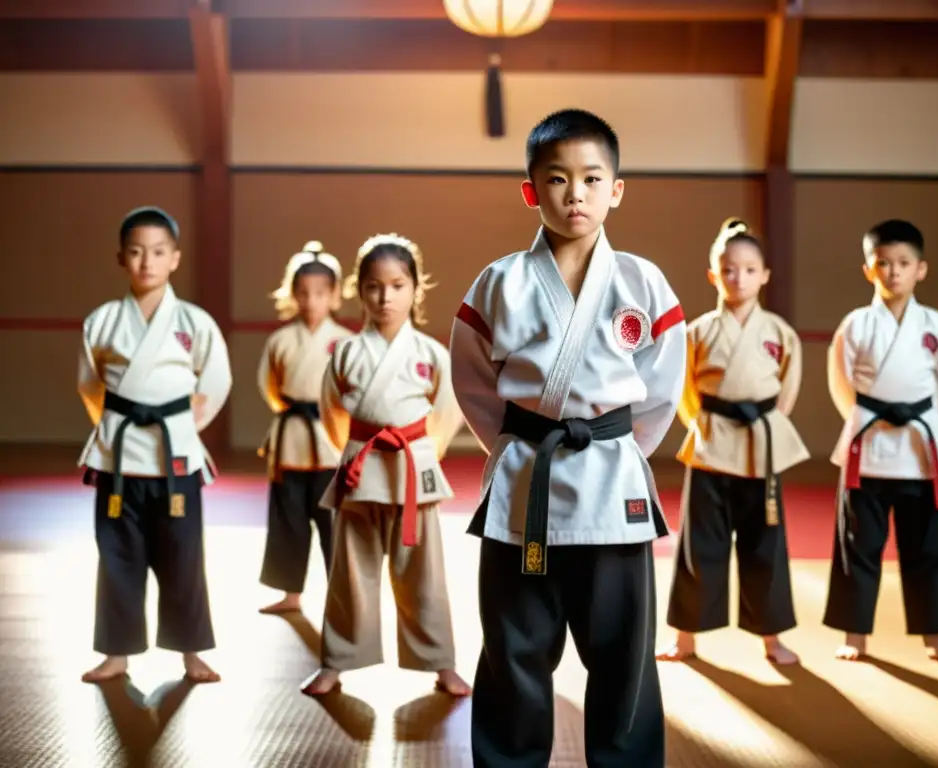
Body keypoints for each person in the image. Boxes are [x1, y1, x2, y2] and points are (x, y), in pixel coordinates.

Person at [449, 108, 687, 767]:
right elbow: (471, 382)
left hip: (612, 485)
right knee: (512, 652)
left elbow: (663, 387)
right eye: (556, 179)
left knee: (625, 658)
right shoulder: (500, 282)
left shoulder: (643, 282)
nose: (574, 194)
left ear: (616, 189)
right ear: (531, 191)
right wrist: (514, 446)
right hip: (525, 483)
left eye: (590, 178)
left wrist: (614, 448)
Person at [301, 233, 471, 697]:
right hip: (362, 469)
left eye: (397, 285)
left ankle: (442, 663)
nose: (385, 296)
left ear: (416, 288)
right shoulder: (347, 354)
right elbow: (332, 415)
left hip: (413, 469)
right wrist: (358, 454)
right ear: (359, 290)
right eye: (374, 286)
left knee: (424, 574)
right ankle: (335, 662)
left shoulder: (431, 354)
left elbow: (446, 414)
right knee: (349, 574)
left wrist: (419, 453)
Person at [77, 206, 231, 684]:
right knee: (117, 555)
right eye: (137, 252)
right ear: (121, 257)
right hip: (120, 457)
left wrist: (184, 425)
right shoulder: (102, 322)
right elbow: (90, 387)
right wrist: (115, 430)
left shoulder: (194, 322)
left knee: (183, 556)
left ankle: (191, 651)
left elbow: (217, 380)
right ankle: (116, 653)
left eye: (158, 252)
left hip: (175, 454)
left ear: (175, 258)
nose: (148, 261)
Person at [655, 218, 809, 667]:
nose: (737, 278)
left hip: (760, 443)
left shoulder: (780, 334)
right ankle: (686, 637)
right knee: (699, 545)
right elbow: (683, 392)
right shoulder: (697, 332)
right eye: (728, 269)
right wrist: (704, 426)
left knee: (766, 546)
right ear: (713, 275)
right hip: (712, 444)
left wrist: (766, 423)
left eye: (747, 269)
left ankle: (771, 638)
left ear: (765, 275)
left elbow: (787, 390)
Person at [822, 218, 938, 666]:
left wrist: (918, 420)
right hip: (868, 445)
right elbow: (841, 383)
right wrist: (867, 418)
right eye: (883, 263)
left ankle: (935, 638)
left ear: (921, 269)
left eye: (904, 263)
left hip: (919, 450)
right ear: (869, 269)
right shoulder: (856, 324)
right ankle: (855, 635)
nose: (894, 272)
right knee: (858, 545)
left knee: (927, 548)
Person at [256, 240, 353, 615]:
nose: (311, 300)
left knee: (334, 523)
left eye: (320, 293)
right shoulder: (280, 340)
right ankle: (290, 594)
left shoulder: (345, 341)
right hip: (291, 439)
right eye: (304, 292)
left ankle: (340, 590)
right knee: (287, 521)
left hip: (331, 440)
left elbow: (351, 390)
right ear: (292, 294)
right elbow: (269, 387)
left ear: (334, 295)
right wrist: (290, 408)